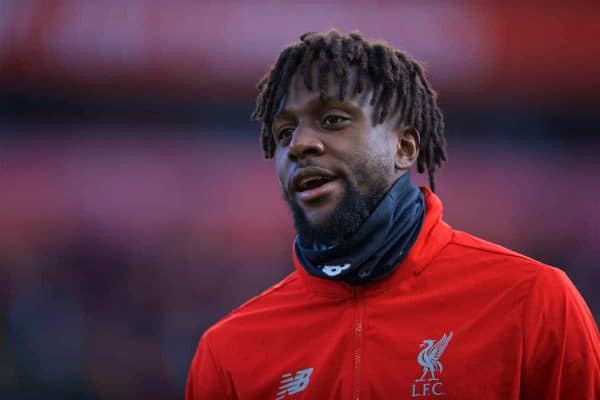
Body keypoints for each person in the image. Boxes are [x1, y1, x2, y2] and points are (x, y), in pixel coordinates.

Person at [185, 30, 599, 399]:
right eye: (284, 133)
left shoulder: (533, 304)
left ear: (404, 149)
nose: (299, 145)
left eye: (332, 120)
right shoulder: (229, 353)